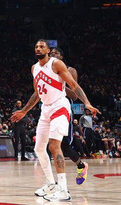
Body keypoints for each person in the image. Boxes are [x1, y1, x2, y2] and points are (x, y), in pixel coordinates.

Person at [11, 40, 100, 202]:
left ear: (48, 50)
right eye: (36, 47)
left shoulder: (57, 64)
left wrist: (87, 103)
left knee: (54, 145)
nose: (38, 48)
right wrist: (24, 111)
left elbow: (74, 85)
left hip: (60, 106)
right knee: (39, 148)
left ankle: (63, 190)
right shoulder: (34, 68)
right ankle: (51, 184)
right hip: (46, 109)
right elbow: (37, 93)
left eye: (42, 46)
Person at [49, 48, 89, 185]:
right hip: (50, 108)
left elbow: (74, 95)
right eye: (51, 53)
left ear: (61, 56)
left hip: (64, 109)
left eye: (56, 53)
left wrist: (58, 84)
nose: (53, 54)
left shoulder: (70, 70)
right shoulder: (46, 71)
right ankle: (53, 181)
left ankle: (81, 166)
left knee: (64, 146)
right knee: (49, 145)